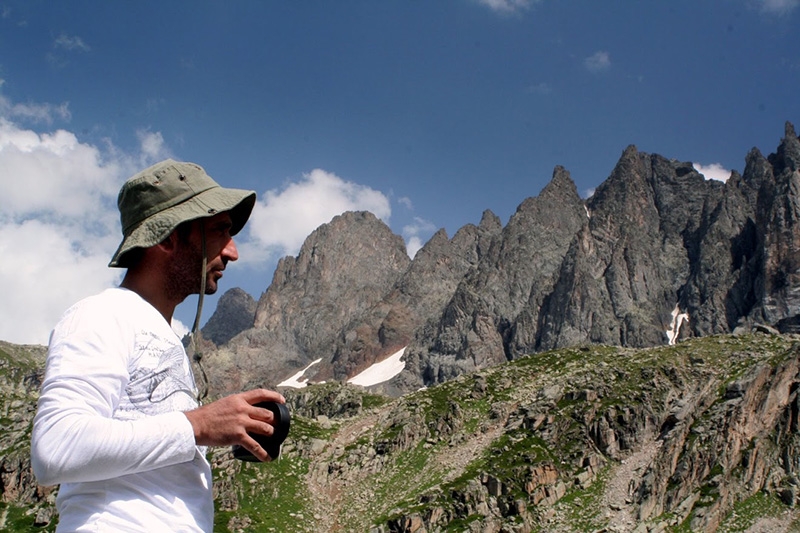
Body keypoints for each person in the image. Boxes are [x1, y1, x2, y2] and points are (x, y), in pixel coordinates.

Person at [30, 159, 285, 532]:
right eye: (219, 231)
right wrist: (198, 426)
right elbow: (55, 448)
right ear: (168, 236)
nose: (233, 253)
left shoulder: (162, 335)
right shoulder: (101, 313)